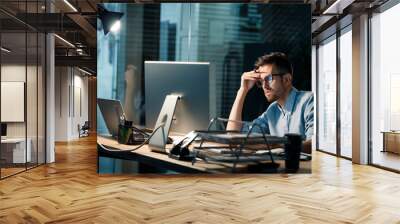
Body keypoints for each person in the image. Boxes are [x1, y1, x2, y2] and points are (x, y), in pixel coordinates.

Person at [226, 52, 314, 154]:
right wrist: (243, 90)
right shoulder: (272, 111)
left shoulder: (309, 101)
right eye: (261, 81)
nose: (264, 86)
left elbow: (315, 145)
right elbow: (233, 137)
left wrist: (276, 145)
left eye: (268, 79)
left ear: (286, 79)